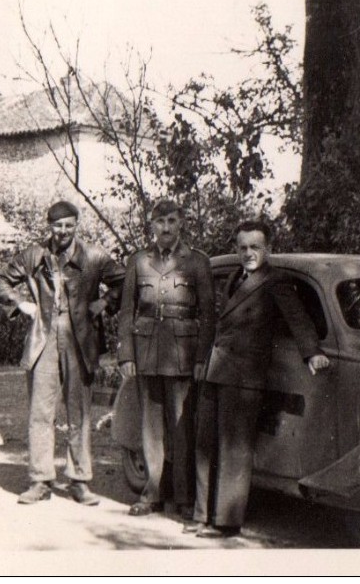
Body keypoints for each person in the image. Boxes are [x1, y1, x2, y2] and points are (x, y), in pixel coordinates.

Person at [187, 220, 330, 538]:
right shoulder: (235, 277)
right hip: (216, 370)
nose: (248, 253)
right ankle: (201, 514)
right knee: (205, 443)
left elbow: (297, 318)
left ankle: (225, 521)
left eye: (255, 247)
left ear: (268, 249)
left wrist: (312, 353)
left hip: (244, 377)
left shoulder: (275, 281)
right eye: (242, 247)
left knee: (234, 450)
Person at [0, 200, 123, 506]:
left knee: (79, 413)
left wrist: (103, 303)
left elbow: (126, 280)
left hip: (81, 340)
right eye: (57, 225)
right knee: (40, 413)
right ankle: (40, 480)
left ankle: (79, 481)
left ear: (77, 225)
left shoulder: (94, 256)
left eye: (68, 225)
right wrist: (20, 303)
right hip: (44, 339)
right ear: (48, 225)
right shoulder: (33, 255)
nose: (63, 232)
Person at [117, 198, 216, 517]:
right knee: (150, 426)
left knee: (181, 425)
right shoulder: (138, 261)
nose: (166, 228)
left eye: (172, 221)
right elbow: (126, 311)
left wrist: (202, 357)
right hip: (146, 351)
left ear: (182, 222)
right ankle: (152, 494)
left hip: (182, 354)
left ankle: (184, 498)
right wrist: (126, 353)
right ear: (152, 224)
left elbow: (208, 315)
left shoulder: (198, 262)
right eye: (160, 222)